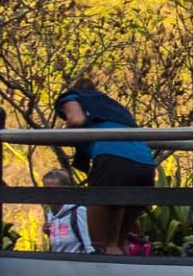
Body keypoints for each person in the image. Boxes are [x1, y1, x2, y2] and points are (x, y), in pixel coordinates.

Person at [54, 78, 155, 255]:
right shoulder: (114, 106)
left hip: (113, 161)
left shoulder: (71, 97)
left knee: (102, 243)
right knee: (120, 240)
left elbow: (76, 120)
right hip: (145, 164)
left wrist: (64, 130)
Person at [41, 168, 93, 253]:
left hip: (77, 263)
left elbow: (89, 245)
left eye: (53, 190)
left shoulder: (78, 212)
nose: (48, 194)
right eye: (45, 190)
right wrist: (49, 233)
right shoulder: (50, 214)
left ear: (66, 189)